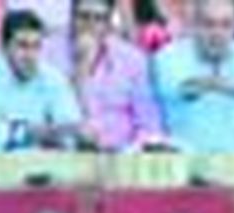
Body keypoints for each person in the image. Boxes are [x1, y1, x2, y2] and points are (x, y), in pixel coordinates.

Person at [0, 10, 87, 152]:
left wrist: (65, 137)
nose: (30, 55)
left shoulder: (53, 78)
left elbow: (71, 130)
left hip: (40, 168)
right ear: (4, 47)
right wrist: (32, 133)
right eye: (23, 46)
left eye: (36, 46)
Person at [152, 0, 234, 152]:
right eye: (209, 25)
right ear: (194, 26)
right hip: (185, 161)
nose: (217, 33)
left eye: (226, 25)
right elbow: (180, 89)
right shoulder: (168, 58)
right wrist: (214, 84)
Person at [66, 0, 166, 151]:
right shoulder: (49, 55)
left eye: (98, 18)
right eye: (84, 17)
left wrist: (131, 151)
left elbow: (148, 123)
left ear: (108, 24)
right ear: (72, 19)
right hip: (65, 154)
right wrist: (82, 68)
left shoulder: (132, 60)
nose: (90, 25)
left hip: (121, 156)